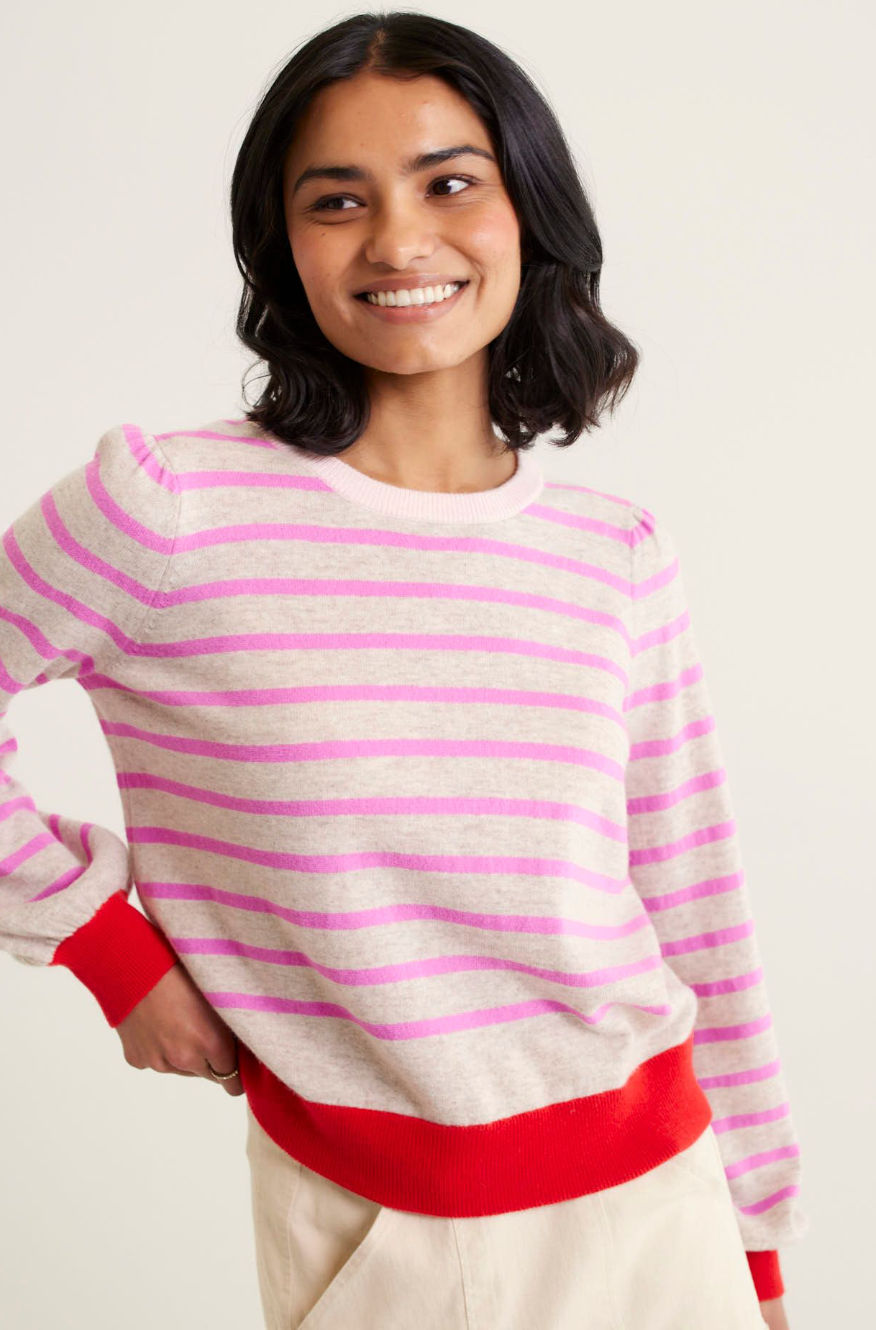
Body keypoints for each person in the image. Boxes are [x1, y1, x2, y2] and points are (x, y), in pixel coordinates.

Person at [0, 10, 808, 1329]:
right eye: (338, 200)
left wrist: (757, 1249)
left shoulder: (614, 554)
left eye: (449, 183)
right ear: (283, 245)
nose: (396, 240)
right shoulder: (170, 509)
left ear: (528, 210)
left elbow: (694, 897)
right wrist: (110, 952)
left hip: (662, 1212)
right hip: (369, 1226)